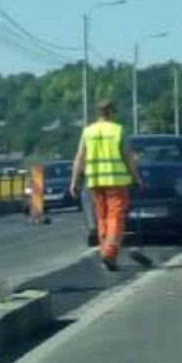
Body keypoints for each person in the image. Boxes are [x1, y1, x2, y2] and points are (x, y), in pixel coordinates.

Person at [70, 99, 141, 271]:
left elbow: (79, 158)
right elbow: (128, 158)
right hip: (116, 182)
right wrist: (136, 178)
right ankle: (109, 252)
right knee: (115, 217)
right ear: (111, 112)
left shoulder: (88, 131)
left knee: (102, 218)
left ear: (98, 112)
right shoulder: (117, 130)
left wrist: (74, 182)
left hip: (95, 183)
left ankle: (106, 253)